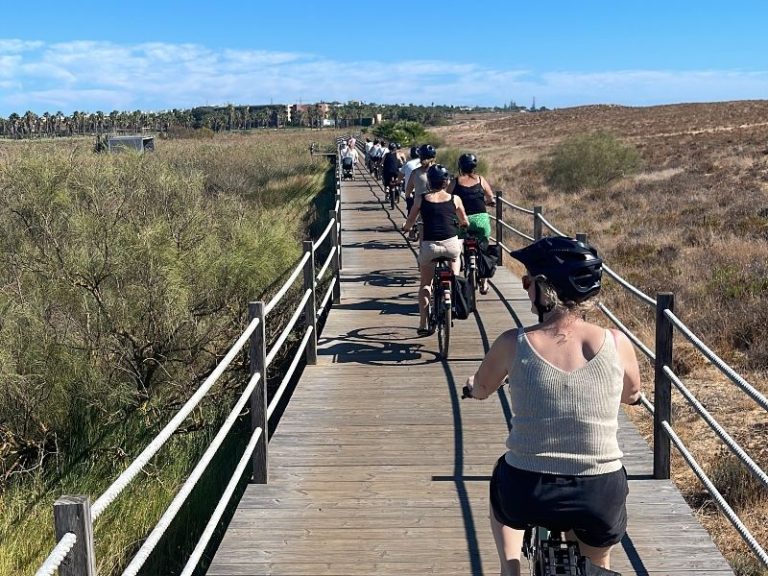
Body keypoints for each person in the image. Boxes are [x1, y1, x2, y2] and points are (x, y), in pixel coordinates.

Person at [462, 236, 642, 576]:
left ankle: (510, 566)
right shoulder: (618, 343)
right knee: (597, 565)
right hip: (597, 491)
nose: (526, 287)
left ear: (544, 289)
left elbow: (483, 387)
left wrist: (474, 388)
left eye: (528, 281)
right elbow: (632, 395)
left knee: (502, 477)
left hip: (527, 489)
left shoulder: (512, 344)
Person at [401, 164, 469, 335]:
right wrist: (463, 225)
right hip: (450, 245)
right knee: (455, 262)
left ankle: (423, 324)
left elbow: (410, 221)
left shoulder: (421, 199)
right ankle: (452, 291)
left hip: (430, 246)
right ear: (446, 182)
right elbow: (464, 221)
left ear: (429, 182)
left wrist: (406, 228)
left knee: (425, 285)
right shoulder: (455, 199)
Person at [447, 153, 497, 294]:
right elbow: (490, 197)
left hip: (463, 220)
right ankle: (484, 281)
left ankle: (459, 262)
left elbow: (446, 197)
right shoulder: (481, 179)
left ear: (460, 167)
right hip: (481, 220)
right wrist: (489, 201)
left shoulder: (455, 181)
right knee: (484, 246)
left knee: (458, 241)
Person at [404, 144, 437, 240]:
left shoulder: (416, 172)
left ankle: (412, 231)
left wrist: (409, 199)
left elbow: (408, 191)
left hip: (422, 206)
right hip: (439, 204)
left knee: (416, 220)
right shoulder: (440, 171)